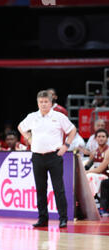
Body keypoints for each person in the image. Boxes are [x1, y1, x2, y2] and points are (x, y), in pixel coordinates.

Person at [18, 90, 76, 229]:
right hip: (37, 157)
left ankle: (63, 219)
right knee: (40, 189)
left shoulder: (58, 116)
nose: (43, 104)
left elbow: (72, 130)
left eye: (46, 102)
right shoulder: (33, 116)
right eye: (41, 102)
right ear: (38, 103)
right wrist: (29, 138)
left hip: (54, 156)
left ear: (51, 103)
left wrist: (66, 145)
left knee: (58, 189)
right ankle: (42, 218)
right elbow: (20, 127)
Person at [84, 129, 109, 200]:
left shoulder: (108, 151)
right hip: (95, 174)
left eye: (103, 137)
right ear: (95, 138)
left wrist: (86, 172)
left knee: (89, 176)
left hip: (105, 175)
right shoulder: (94, 151)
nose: (101, 138)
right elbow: (87, 166)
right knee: (83, 176)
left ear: (107, 138)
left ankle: (91, 199)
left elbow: (100, 170)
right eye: (99, 136)